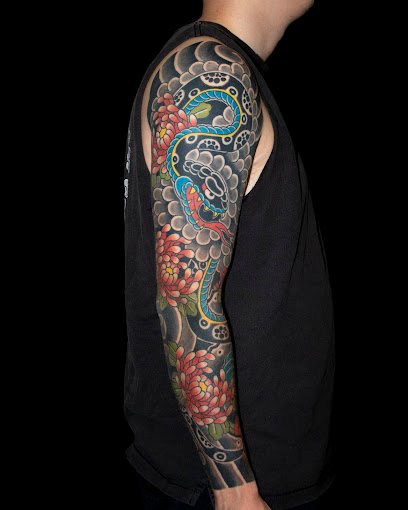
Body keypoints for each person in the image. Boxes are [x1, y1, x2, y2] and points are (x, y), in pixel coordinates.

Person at [124, 1, 335, 508]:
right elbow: (186, 305)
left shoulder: (216, 66)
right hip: (232, 487)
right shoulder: (210, 74)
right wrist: (235, 490)